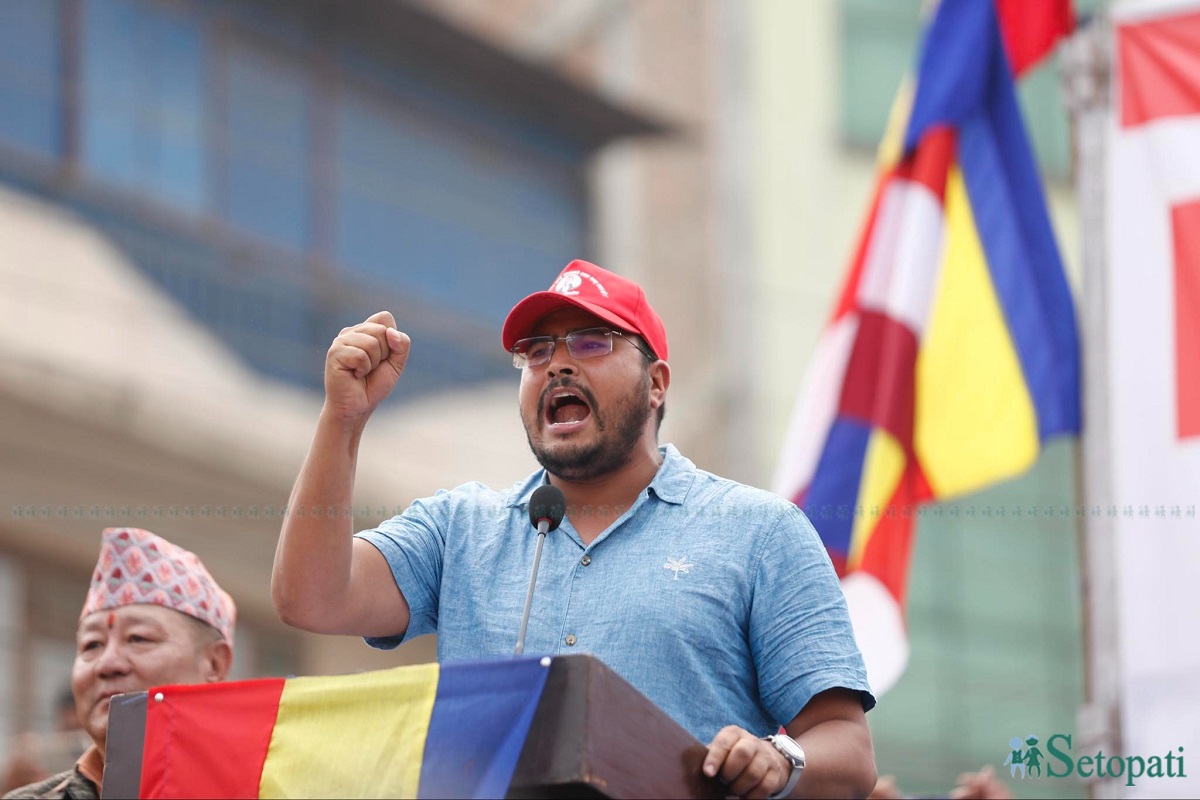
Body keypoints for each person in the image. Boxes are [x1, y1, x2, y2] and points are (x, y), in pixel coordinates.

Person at [273, 260, 877, 798]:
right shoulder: (460, 528)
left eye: (592, 342)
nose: (557, 363)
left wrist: (778, 761)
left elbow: (847, 749)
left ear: (656, 383)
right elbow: (312, 598)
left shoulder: (759, 532)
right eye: (536, 351)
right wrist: (342, 420)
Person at [4, 528, 236, 799]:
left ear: (213, 664)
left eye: (138, 638)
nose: (107, 664)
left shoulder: (262, 788)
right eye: (92, 644)